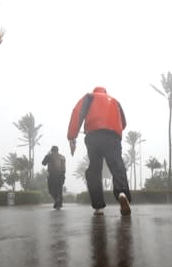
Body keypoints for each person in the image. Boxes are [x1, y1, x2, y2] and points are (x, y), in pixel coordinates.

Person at [67, 86, 131, 216]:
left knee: (94, 169)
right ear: (105, 92)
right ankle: (122, 193)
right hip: (113, 136)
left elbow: (77, 113)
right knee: (117, 165)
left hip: (94, 136)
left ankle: (98, 206)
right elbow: (123, 123)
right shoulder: (115, 101)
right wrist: (113, 128)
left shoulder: (89, 97)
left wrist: (72, 137)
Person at [42, 145, 66, 210]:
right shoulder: (62, 157)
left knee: (51, 190)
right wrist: (63, 176)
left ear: (52, 150)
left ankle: (56, 199)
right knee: (59, 190)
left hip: (52, 175)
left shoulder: (50, 156)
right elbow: (64, 168)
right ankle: (58, 204)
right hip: (61, 175)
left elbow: (43, 163)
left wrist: (47, 155)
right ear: (57, 150)